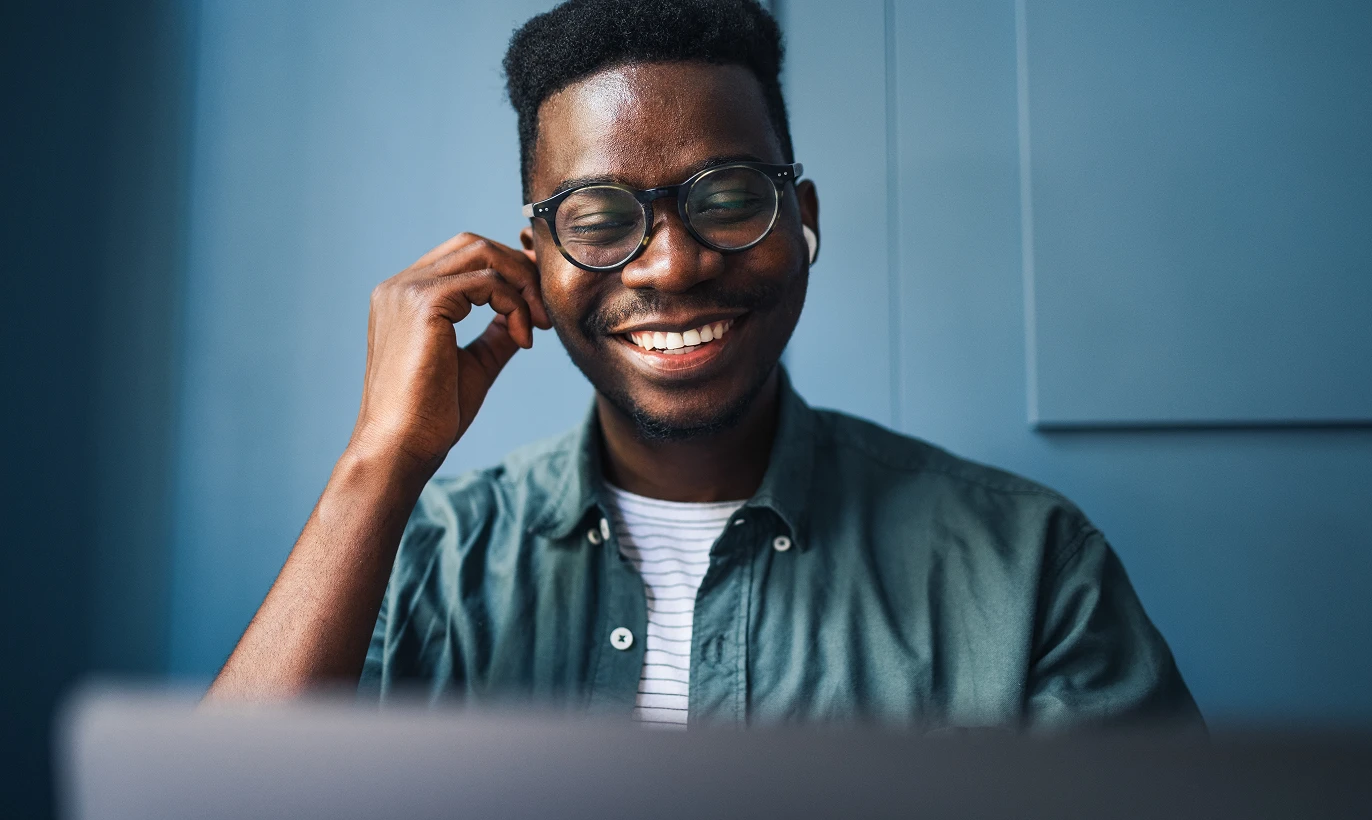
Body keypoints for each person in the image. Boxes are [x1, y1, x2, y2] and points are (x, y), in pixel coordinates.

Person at [208, 0, 1202, 731]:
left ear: (799, 221)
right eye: (598, 218)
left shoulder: (1028, 569)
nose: (673, 263)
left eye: (725, 197)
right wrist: (377, 464)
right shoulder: (415, 563)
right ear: (537, 261)